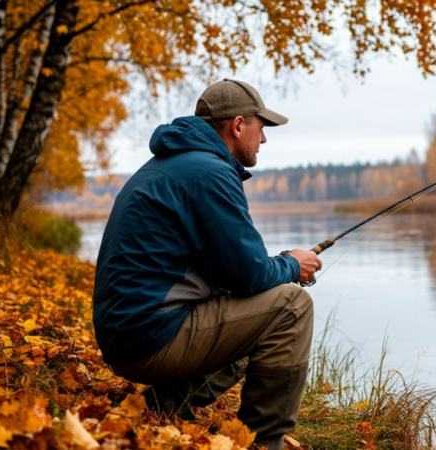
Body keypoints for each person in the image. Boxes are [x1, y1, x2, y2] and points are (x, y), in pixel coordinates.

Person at [92, 79, 322, 450]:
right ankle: (265, 440)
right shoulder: (210, 173)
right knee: (290, 307)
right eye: (261, 129)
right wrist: (293, 264)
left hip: (127, 334)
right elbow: (250, 276)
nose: (263, 140)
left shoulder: (176, 163)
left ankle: (166, 404)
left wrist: (277, 266)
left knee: (255, 317)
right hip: (149, 338)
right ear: (238, 126)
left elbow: (232, 273)